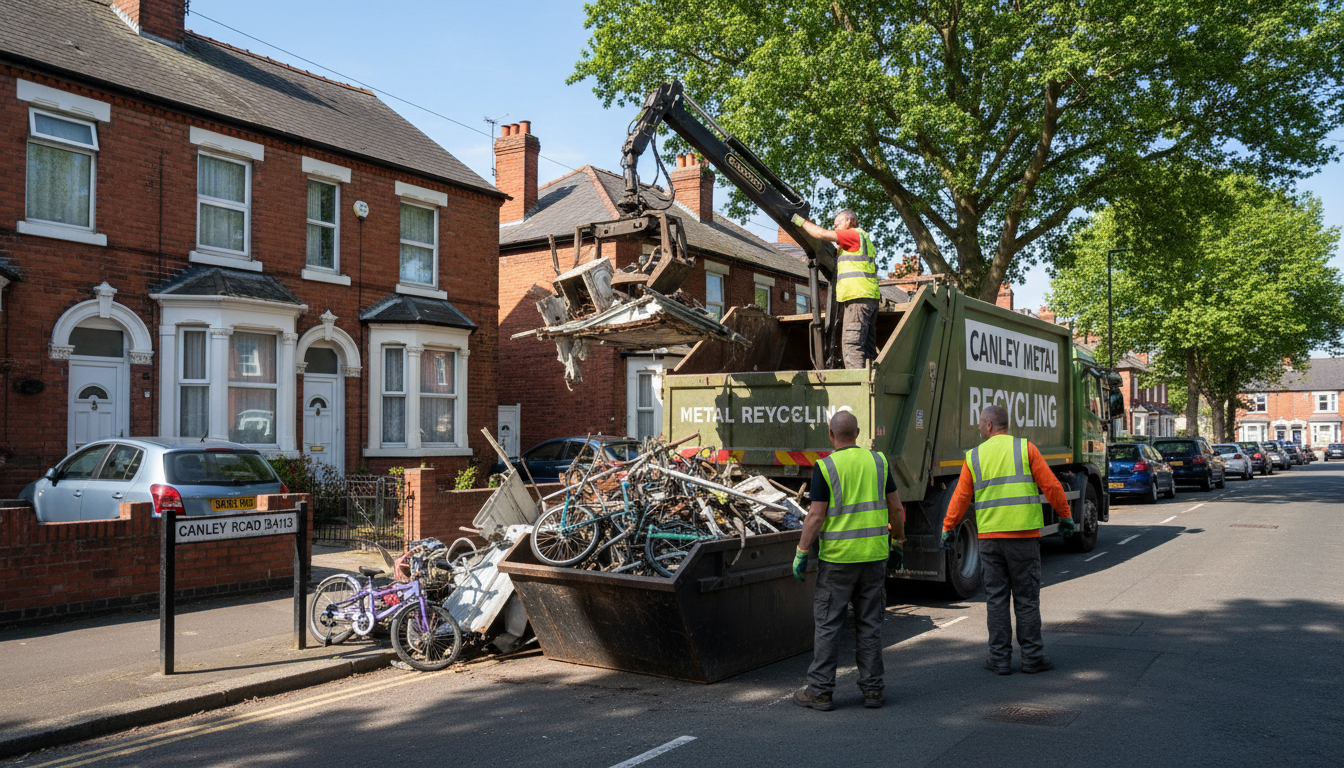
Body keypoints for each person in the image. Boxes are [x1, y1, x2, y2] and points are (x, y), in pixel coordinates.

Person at [941, 404, 1073, 675]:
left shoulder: (974, 456)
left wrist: (948, 526)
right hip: (1023, 538)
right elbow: (1051, 486)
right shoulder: (1026, 449)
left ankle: (999, 659)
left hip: (990, 540)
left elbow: (961, 497)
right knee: (1026, 598)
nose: (978, 427)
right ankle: (1033, 657)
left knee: (996, 600)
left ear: (989, 425)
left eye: (980, 422)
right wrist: (1065, 516)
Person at [791, 410, 904, 710]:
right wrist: (899, 543)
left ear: (831, 435)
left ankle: (820, 692)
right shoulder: (878, 462)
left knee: (828, 626)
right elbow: (896, 509)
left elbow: (816, 516)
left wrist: (802, 551)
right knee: (869, 625)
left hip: (837, 561)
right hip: (874, 558)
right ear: (857, 433)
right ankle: (873, 691)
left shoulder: (825, 467)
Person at [791, 210, 880, 369]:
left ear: (848, 222)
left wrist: (798, 220)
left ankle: (857, 383)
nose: (836, 228)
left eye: (837, 224)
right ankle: (871, 379)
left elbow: (821, 234)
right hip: (868, 297)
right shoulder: (862, 239)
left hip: (857, 297)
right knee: (867, 347)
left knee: (852, 345)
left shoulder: (852, 234)